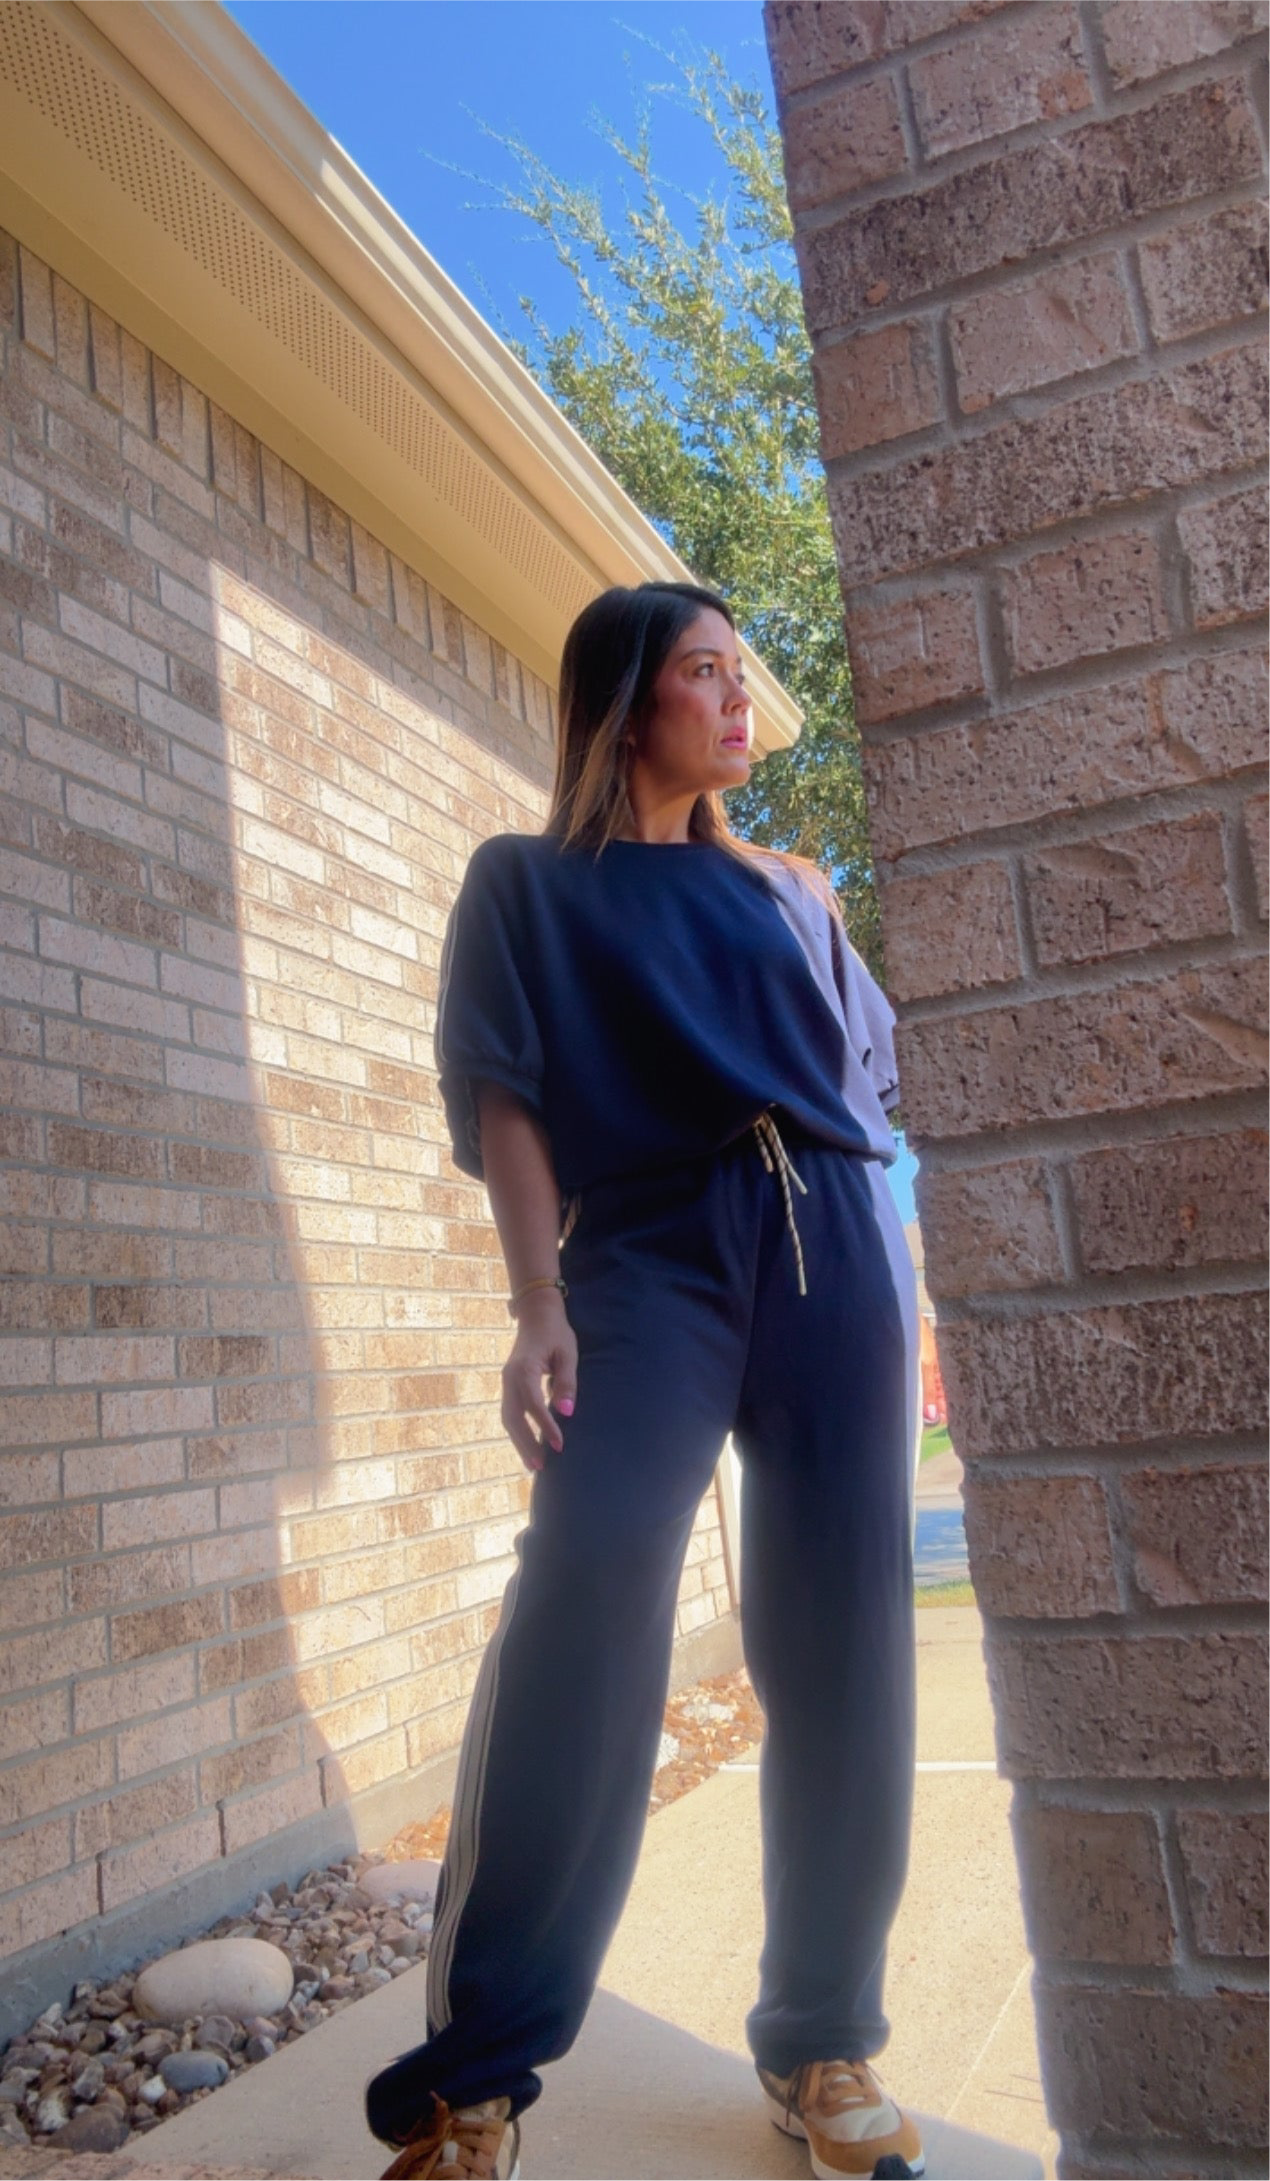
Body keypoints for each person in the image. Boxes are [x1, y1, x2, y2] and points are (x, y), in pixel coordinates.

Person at [363, 581, 924, 2181]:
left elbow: (871, 1097)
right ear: (622, 705)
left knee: (847, 1635)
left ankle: (822, 2039)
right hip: (643, 1255)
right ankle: (477, 2076)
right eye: (702, 672)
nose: (738, 698)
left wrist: (909, 1276)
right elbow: (506, 1099)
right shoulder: (527, 885)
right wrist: (534, 1302)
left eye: (739, 671)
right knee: (587, 1586)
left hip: (834, 1246)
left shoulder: (795, 892)